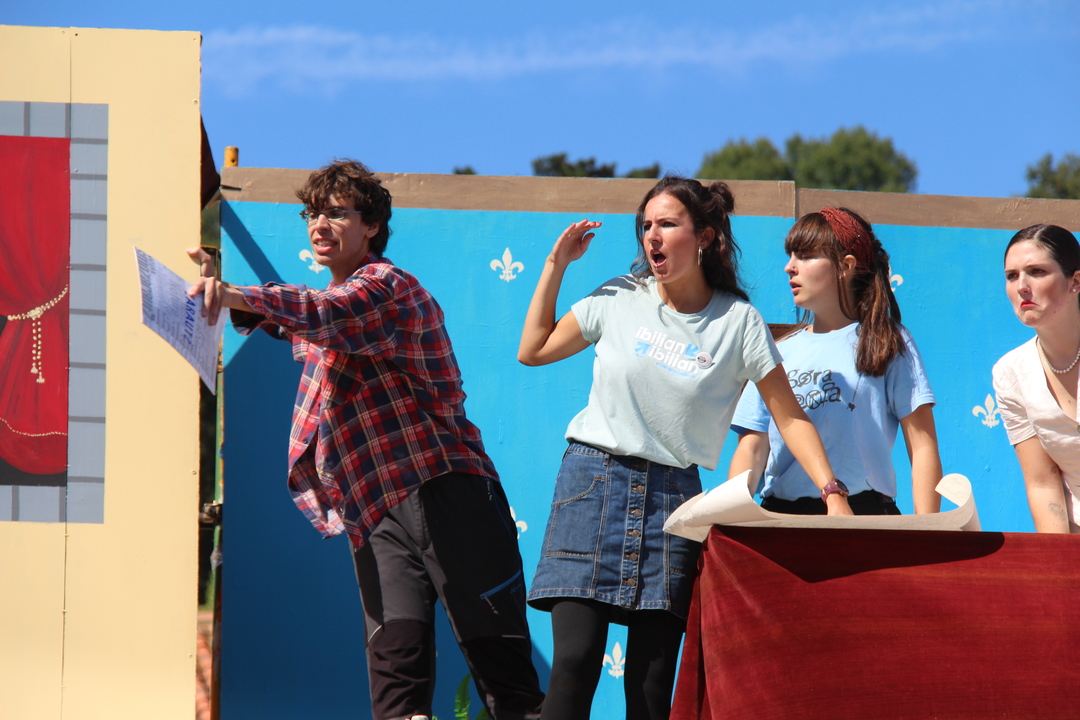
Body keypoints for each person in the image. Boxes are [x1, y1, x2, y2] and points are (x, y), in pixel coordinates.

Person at [187, 159, 544, 720]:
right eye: (311, 213)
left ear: (372, 225)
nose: (319, 224)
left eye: (336, 213)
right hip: (375, 513)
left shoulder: (387, 289)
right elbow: (295, 323)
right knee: (396, 690)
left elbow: (326, 312)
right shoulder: (333, 318)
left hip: (446, 492)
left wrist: (233, 293)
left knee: (508, 686)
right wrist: (221, 292)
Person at [517, 176, 852, 720]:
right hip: (592, 484)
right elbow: (533, 349)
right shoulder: (618, 295)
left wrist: (833, 493)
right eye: (646, 225)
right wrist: (557, 265)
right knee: (574, 665)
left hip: (673, 503)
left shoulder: (738, 322)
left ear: (704, 237)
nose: (653, 234)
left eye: (668, 223)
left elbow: (789, 417)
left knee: (651, 689)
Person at [729, 207, 942, 515]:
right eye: (790, 256)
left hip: (864, 515)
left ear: (846, 266)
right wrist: (730, 515)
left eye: (805, 256)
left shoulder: (886, 340)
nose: (790, 267)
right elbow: (752, 446)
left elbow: (922, 446)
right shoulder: (778, 351)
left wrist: (926, 531)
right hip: (782, 518)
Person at [992, 224, 1080, 533]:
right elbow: (1042, 483)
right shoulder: (1010, 373)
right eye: (1012, 276)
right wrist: (1058, 558)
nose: (1022, 286)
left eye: (1037, 272)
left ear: (1075, 281)